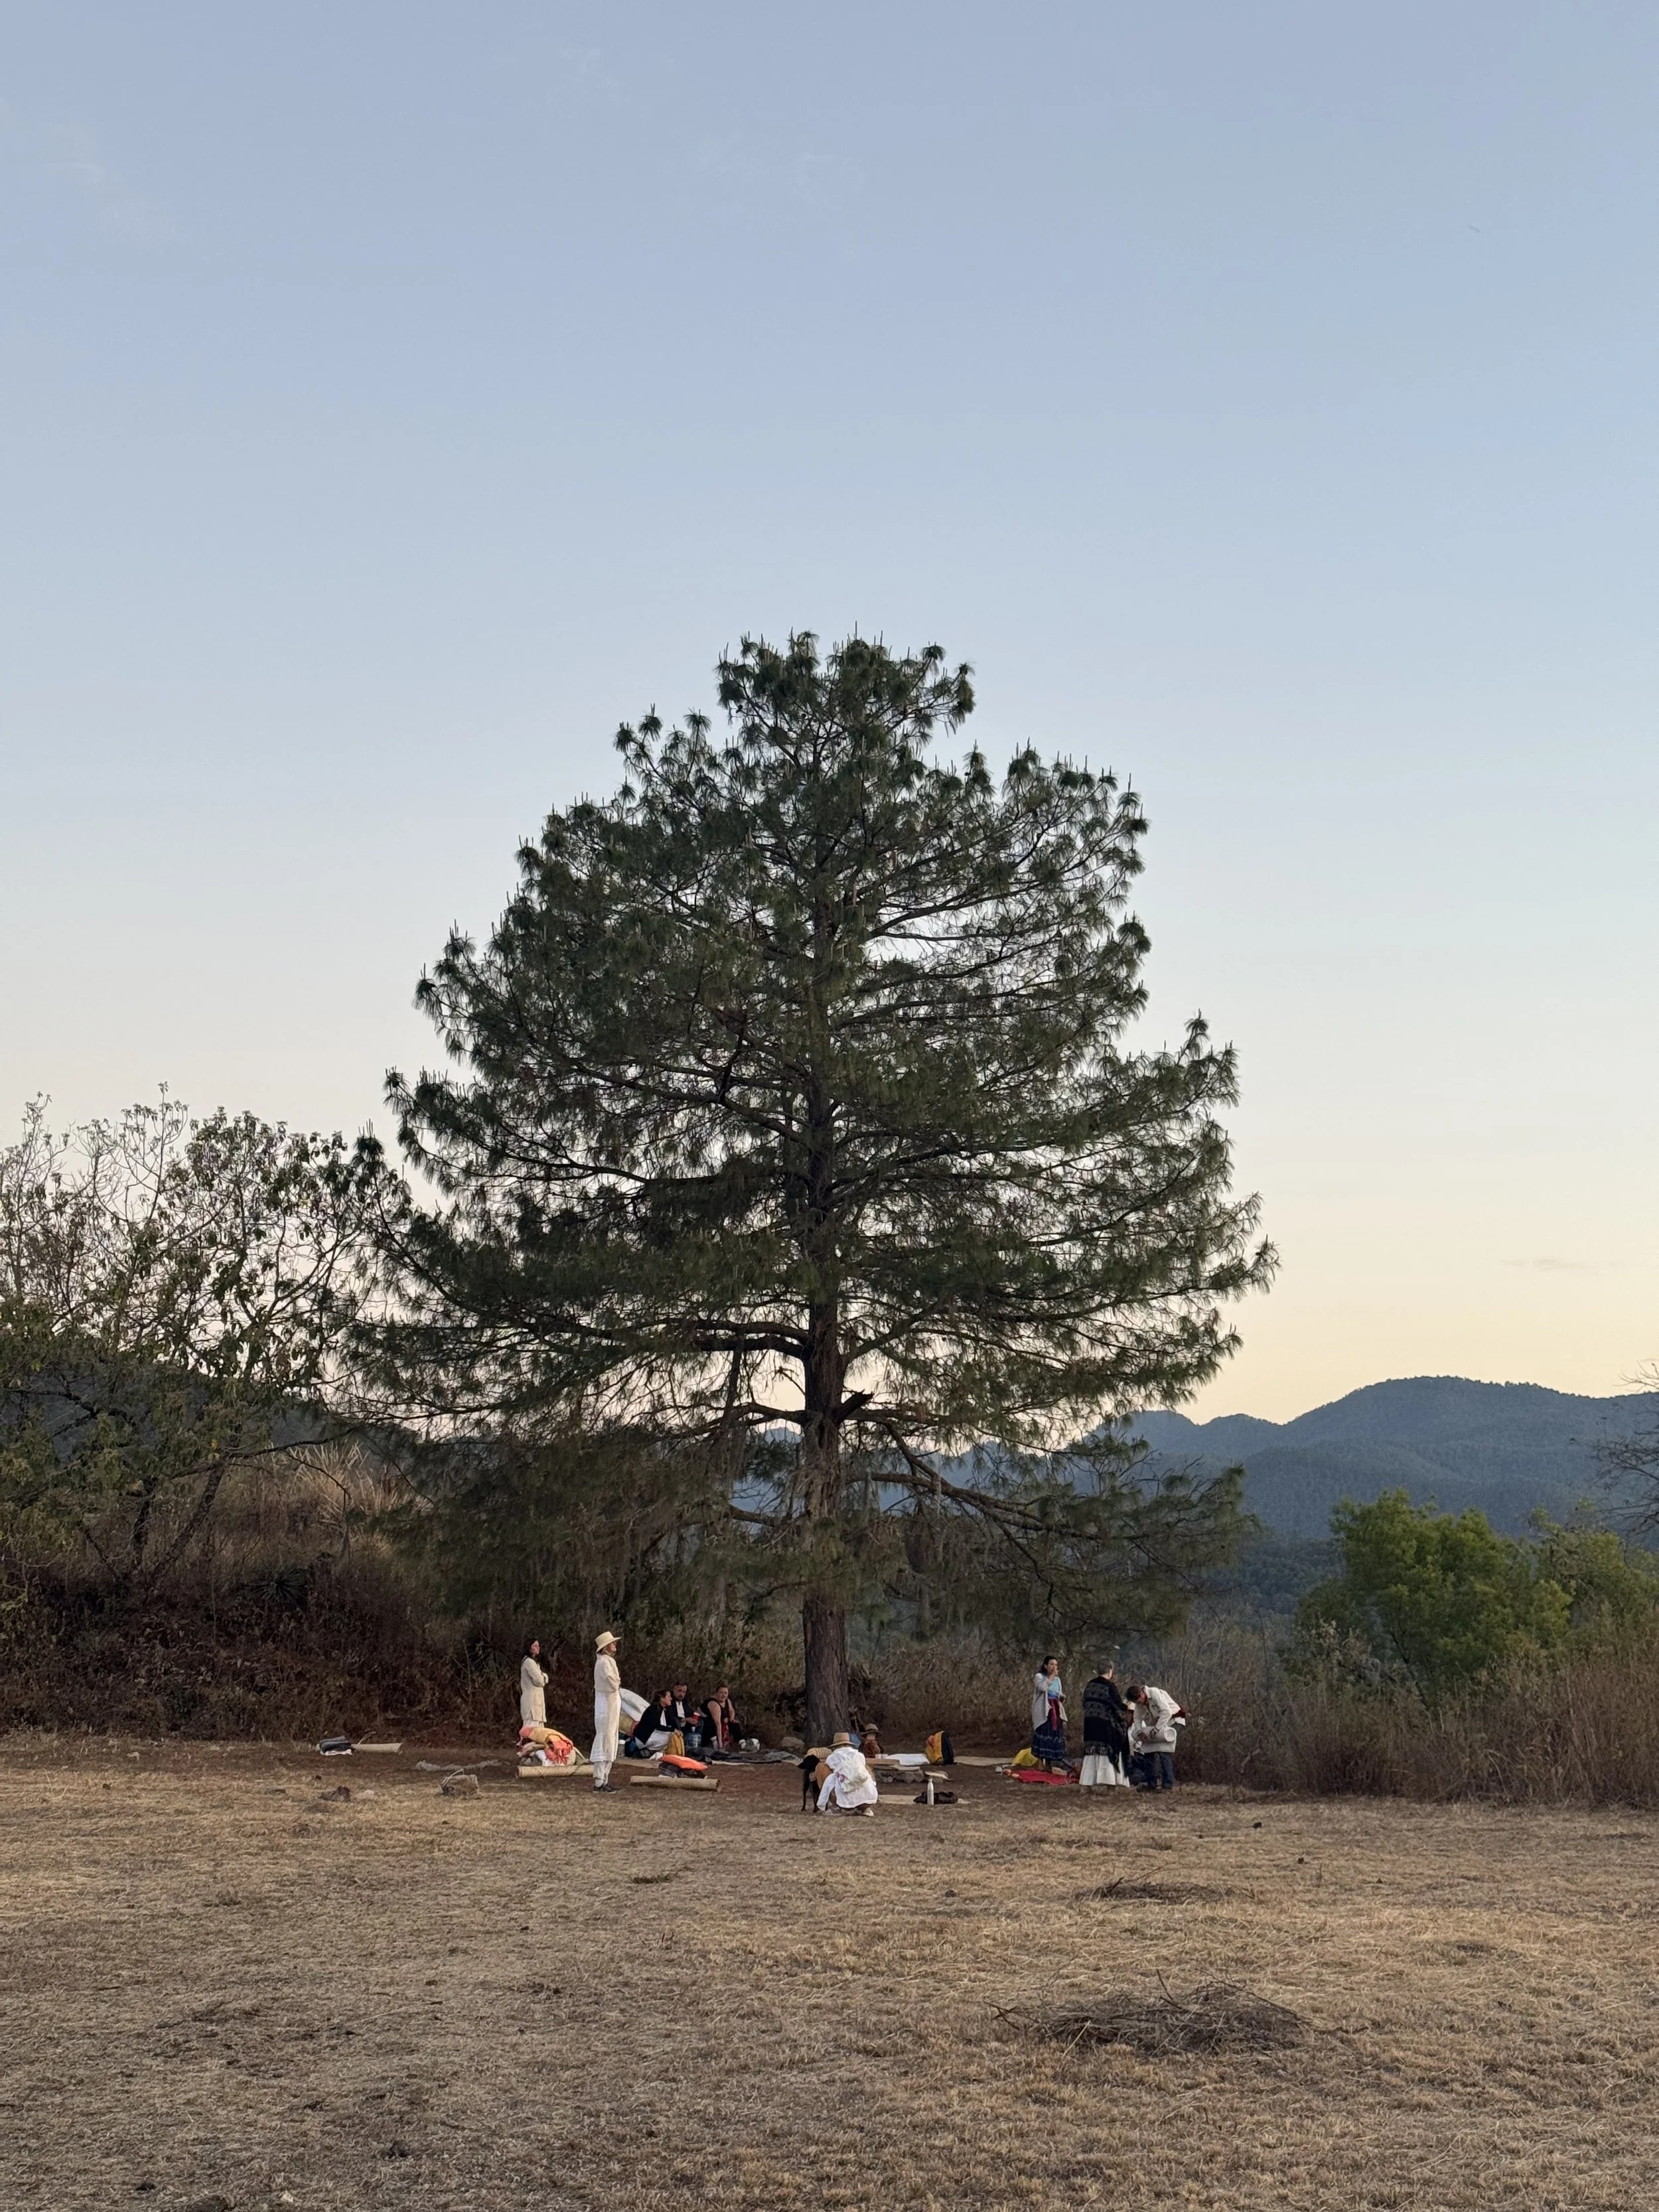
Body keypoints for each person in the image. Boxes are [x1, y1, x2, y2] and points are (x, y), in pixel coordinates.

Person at [1080, 1663, 1131, 1789]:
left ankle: (1086, 1784)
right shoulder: (1109, 1686)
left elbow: (1084, 1703)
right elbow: (1117, 1705)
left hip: (1090, 1724)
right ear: (1110, 1671)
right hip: (1105, 1725)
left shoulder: (1090, 1685)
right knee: (1108, 1753)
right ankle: (1109, 1783)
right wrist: (1127, 1708)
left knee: (1091, 1755)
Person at [1127, 1681, 1184, 1791]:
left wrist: (1156, 1729)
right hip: (1161, 1724)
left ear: (1142, 1694)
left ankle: (1168, 1785)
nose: (1139, 1703)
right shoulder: (1140, 1702)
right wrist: (1139, 1732)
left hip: (1174, 1721)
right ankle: (1151, 1784)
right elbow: (1137, 1718)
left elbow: (1167, 1712)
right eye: (1136, 1702)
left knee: (1164, 1752)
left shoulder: (1154, 1693)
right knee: (1149, 1751)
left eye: (1139, 1700)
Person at [816, 1732, 879, 1816]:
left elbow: (830, 1766)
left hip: (845, 1787)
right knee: (866, 1774)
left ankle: (836, 1807)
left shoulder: (833, 1757)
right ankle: (865, 1808)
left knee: (827, 1774)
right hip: (864, 1785)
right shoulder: (859, 1755)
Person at [591, 1630, 623, 1791]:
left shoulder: (608, 1661)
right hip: (606, 1704)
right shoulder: (604, 1662)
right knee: (605, 1738)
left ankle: (604, 1777)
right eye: (612, 1643)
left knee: (611, 1738)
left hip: (611, 1703)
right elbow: (613, 1682)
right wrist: (617, 1682)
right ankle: (599, 1779)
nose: (615, 1645)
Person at [1031, 1656, 1068, 1770]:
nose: (1054, 1667)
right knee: (1043, 1731)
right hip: (1044, 1709)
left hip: (1055, 1709)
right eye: (1052, 1664)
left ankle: (1049, 1761)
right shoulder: (1039, 1677)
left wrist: (1061, 1697)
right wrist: (1051, 1676)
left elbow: (1057, 1692)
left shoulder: (1058, 1680)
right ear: (1046, 1666)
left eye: (1056, 1665)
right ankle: (1040, 1760)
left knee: (1054, 1733)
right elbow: (1042, 1688)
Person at [624, 1690, 674, 1759]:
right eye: (669, 1697)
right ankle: (649, 1751)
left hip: (649, 1736)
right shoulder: (655, 1709)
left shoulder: (662, 1709)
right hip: (642, 1739)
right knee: (669, 1737)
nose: (671, 1699)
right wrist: (673, 1730)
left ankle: (648, 1752)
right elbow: (656, 1726)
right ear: (662, 1699)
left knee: (671, 1735)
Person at [520, 1638, 549, 1730]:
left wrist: (543, 1676)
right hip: (531, 1704)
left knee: (539, 1732)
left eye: (538, 1646)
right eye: (535, 1646)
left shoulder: (535, 1663)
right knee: (530, 1731)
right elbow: (540, 1680)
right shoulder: (529, 1662)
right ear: (529, 1647)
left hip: (537, 1705)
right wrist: (544, 1677)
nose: (538, 1648)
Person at [703, 1684, 741, 1753]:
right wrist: (720, 1743)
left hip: (723, 1722)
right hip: (711, 1725)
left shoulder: (727, 1701)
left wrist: (731, 1719)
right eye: (721, 1693)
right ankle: (718, 1745)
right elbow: (718, 1723)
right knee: (713, 1725)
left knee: (735, 1724)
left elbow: (731, 1710)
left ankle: (740, 1744)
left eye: (725, 1693)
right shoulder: (714, 1704)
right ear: (716, 1693)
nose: (723, 1695)